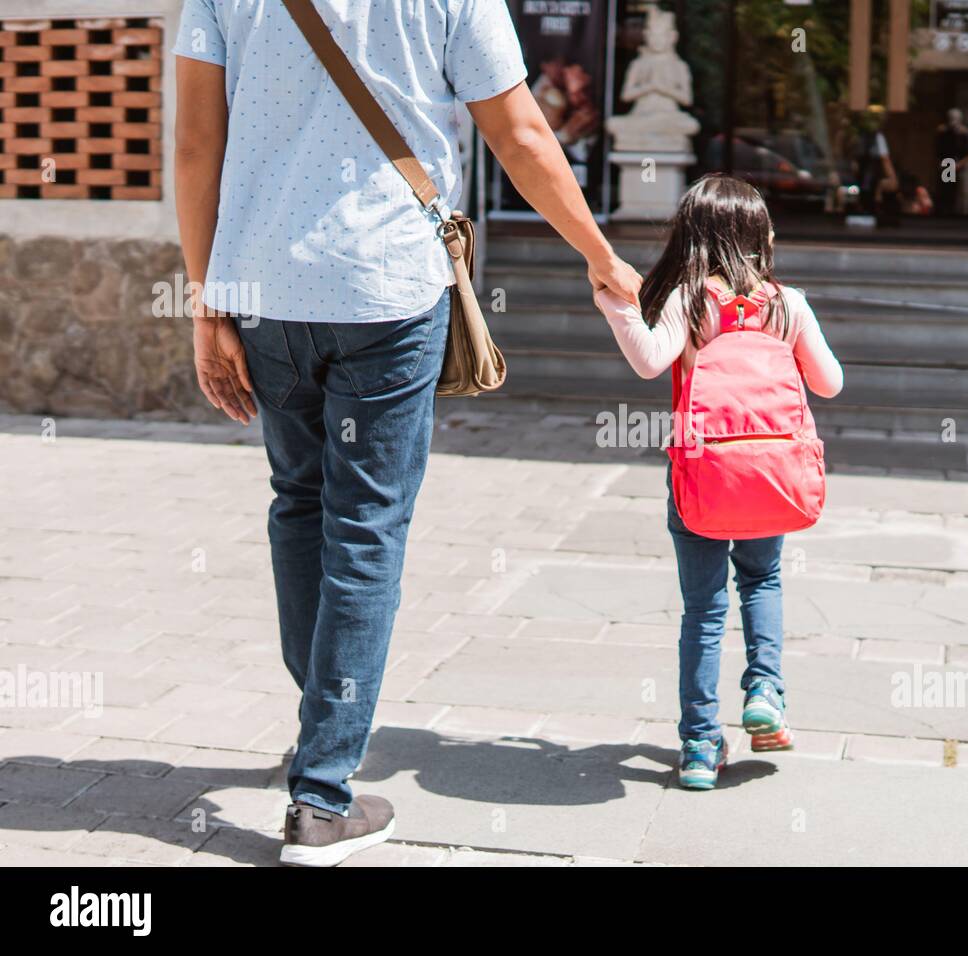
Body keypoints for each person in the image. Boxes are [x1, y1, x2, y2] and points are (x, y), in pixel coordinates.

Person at [173, 0, 640, 866]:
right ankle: (321, 795)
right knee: (364, 530)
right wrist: (600, 254)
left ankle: (324, 730)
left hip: (266, 291)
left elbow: (197, 144)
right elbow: (522, 135)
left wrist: (206, 301)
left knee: (299, 502)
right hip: (387, 292)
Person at [593, 175, 843, 790]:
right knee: (763, 580)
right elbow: (831, 383)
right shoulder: (789, 303)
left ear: (693, 234)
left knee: (703, 612)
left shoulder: (687, 298)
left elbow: (651, 360)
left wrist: (615, 305)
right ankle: (765, 691)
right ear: (761, 235)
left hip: (702, 478)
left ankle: (700, 747)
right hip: (770, 479)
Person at [935, 108, 968, 216]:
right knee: (946, 190)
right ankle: (946, 211)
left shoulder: (964, 134)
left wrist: (959, 165)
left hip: (959, 164)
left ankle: (959, 212)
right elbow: (939, 151)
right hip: (947, 163)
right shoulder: (943, 132)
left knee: (959, 190)